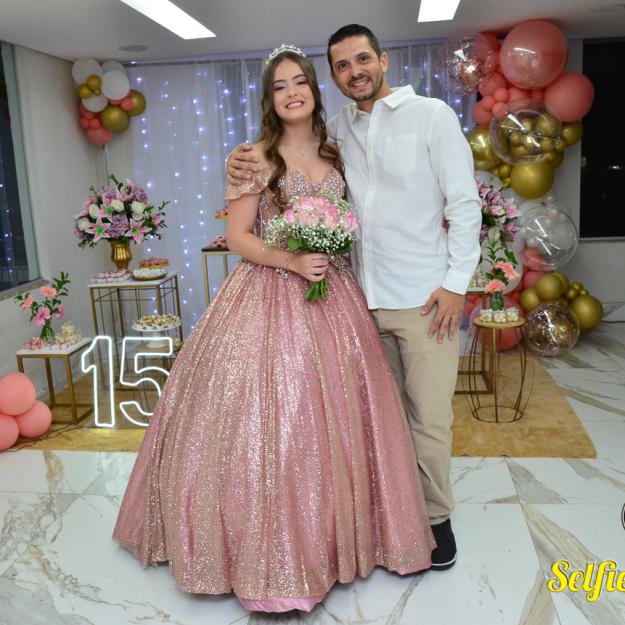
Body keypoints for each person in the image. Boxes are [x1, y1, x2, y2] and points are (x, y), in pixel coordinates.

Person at [113, 44, 435, 614]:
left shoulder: (338, 151)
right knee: (271, 418)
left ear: (314, 88)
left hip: (335, 295)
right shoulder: (254, 157)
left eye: (299, 82)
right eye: (279, 86)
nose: (291, 93)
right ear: (269, 99)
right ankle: (269, 552)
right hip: (267, 293)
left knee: (343, 417)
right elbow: (239, 237)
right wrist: (291, 259)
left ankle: (340, 536)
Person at [227, 25, 483, 571]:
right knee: (371, 420)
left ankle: (435, 518)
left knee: (429, 418)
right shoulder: (337, 132)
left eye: (362, 59)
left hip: (424, 298)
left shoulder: (431, 116)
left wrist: (457, 284)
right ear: (333, 78)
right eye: (342, 66)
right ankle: (385, 516)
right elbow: (270, 177)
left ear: (383, 60)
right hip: (358, 298)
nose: (354, 71)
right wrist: (239, 161)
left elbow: (464, 205)